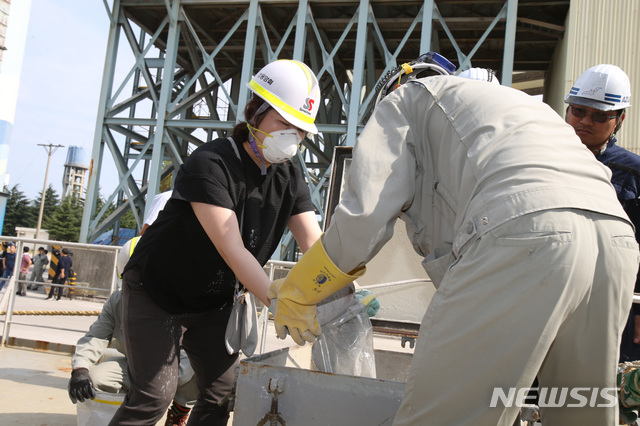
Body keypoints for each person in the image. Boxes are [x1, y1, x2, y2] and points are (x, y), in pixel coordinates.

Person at [268, 52, 639, 425]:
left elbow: (363, 218)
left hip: (528, 234)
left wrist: (303, 288)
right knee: (581, 411)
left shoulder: (403, 103)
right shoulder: (517, 110)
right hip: (615, 243)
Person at [111, 58, 324, 425]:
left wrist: (344, 288)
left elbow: (315, 244)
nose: (292, 137)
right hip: (158, 292)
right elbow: (232, 249)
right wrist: (278, 300)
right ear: (255, 113)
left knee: (224, 391)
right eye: (283, 123)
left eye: (300, 130)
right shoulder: (211, 163)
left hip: (212, 302)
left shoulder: (289, 177)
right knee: (154, 396)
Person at [68, 239, 199, 426]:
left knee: (198, 372)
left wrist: (160, 382)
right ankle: (125, 413)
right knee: (95, 378)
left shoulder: (181, 302)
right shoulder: (118, 301)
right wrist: (80, 369)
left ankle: (178, 413)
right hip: (134, 367)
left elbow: (191, 353)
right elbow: (96, 336)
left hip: (174, 369)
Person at [564, 64, 640, 363]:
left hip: (614, 302)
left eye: (599, 116)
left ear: (619, 119)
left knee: (603, 389)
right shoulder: (538, 158)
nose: (585, 121)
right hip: (550, 290)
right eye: (579, 111)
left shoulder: (632, 172)